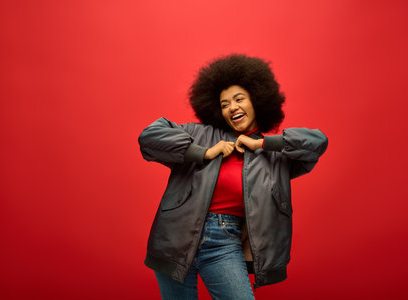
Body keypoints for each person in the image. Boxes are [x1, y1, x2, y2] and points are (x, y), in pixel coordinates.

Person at [138, 54, 328, 300]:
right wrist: (205, 152)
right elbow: (150, 136)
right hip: (174, 238)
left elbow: (317, 142)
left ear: (257, 100)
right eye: (224, 104)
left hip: (224, 243)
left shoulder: (275, 156)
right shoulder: (200, 134)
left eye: (239, 99)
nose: (232, 107)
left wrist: (263, 143)